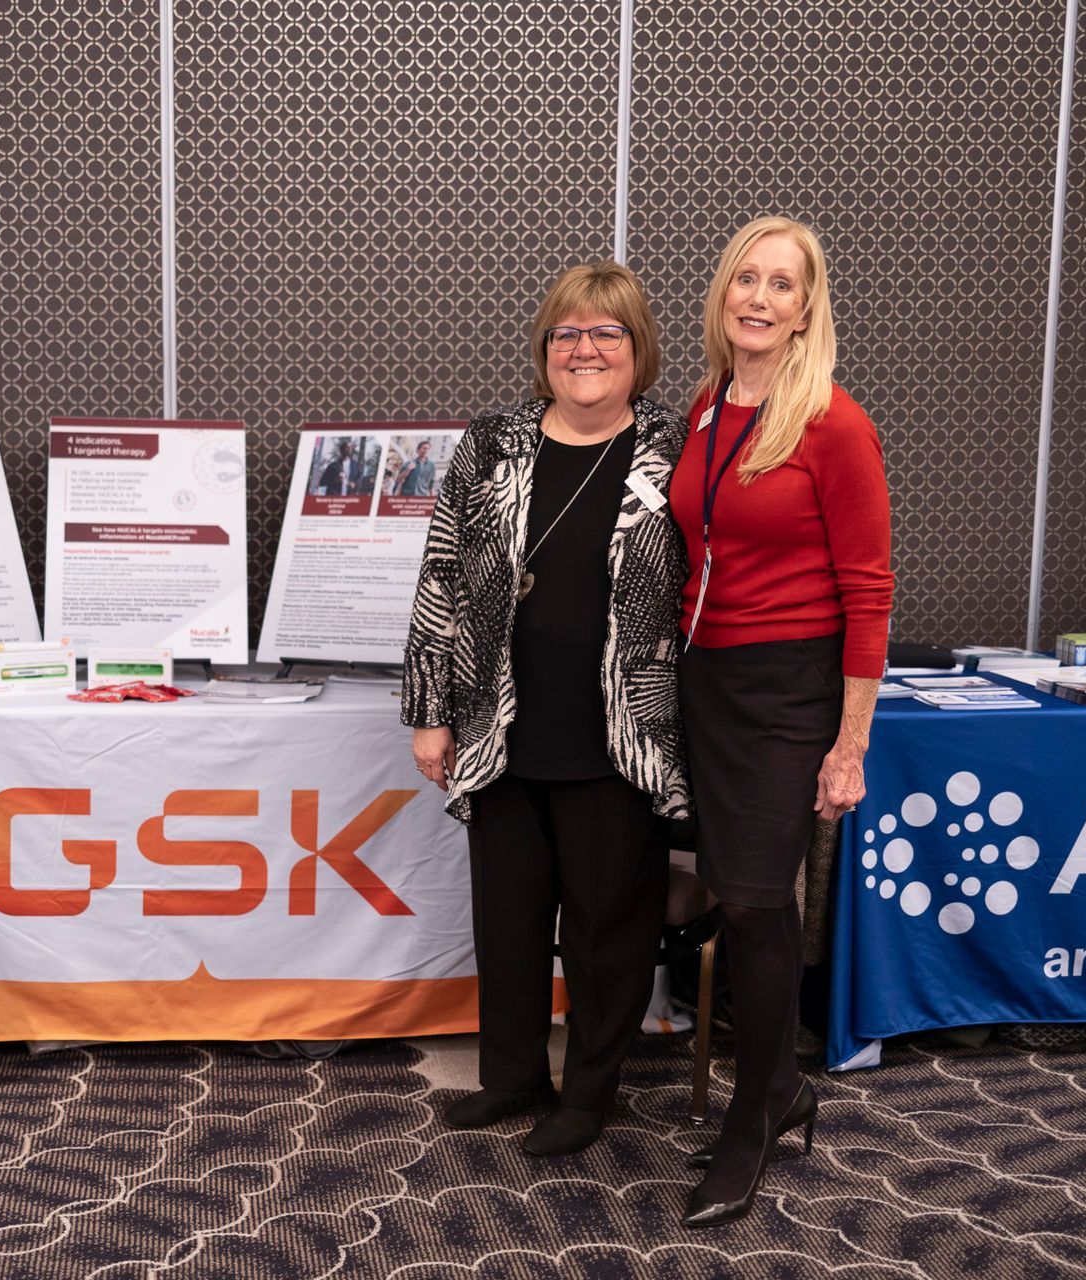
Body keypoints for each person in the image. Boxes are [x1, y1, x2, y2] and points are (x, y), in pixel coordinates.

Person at [403, 261, 691, 1157]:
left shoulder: (679, 453)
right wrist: (429, 709)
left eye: (607, 333)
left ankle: (589, 1095)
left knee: (609, 935)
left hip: (622, 736)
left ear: (638, 349)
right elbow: (441, 575)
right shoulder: (492, 443)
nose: (585, 349)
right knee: (510, 923)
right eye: (567, 333)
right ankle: (514, 1077)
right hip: (499, 726)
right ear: (544, 350)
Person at [668, 217, 893, 1226]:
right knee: (738, 896)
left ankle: (754, 1116)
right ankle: (779, 1087)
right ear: (723, 297)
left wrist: (850, 743)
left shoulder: (833, 423)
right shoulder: (707, 407)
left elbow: (870, 592)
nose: (758, 297)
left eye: (781, 285)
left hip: (788, 688)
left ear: (807, 309)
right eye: (744, 279)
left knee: (761, 903)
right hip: (705, 683)